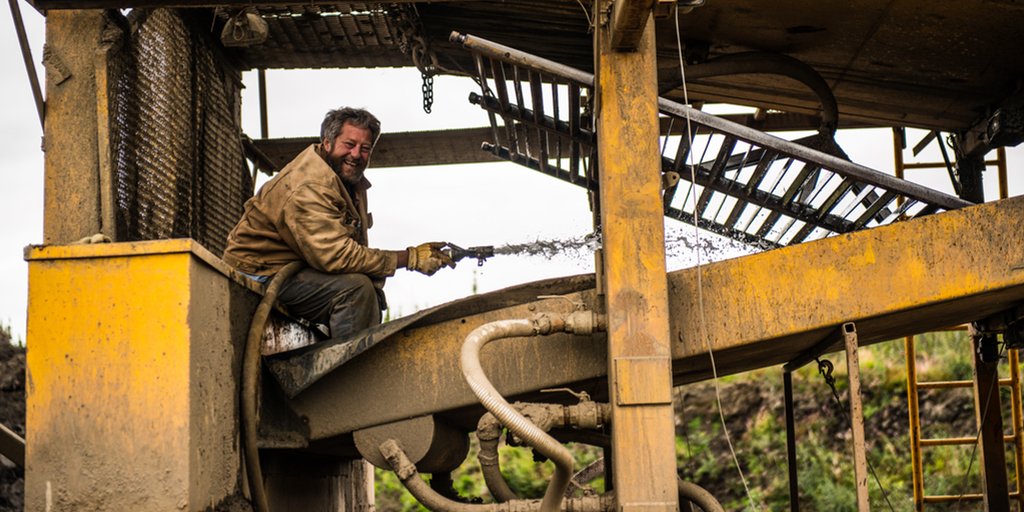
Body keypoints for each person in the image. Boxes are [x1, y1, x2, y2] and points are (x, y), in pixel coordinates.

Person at [223, 107, 454, 339]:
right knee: (356, 291)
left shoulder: (349, 180)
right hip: (258, 274)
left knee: (369, 290)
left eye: (365, 149)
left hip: (297, 266)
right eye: (349, 144)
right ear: (327, 142)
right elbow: (337, 256)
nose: (356, 154)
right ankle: (349, 374)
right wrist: (410, 258)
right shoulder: (310, 186)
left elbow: (351, 247)